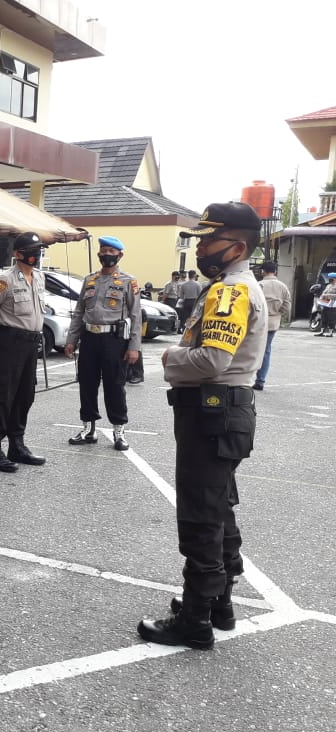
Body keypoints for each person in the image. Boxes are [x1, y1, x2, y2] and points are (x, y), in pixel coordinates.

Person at [138, 202, 266, 650]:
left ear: (238, 246)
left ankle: (195, 620)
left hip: (212, 412)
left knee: (200, 515)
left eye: (210, 239)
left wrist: (171, 357)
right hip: (224, 413)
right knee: (219, 509)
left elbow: (212, 360)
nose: (201, 247)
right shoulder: (231, 286)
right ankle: (220, 605)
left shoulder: (230, 291)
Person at [64, 236, 141, 451]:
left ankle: (119, 430)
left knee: (114, 385)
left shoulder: (128, 281)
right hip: (89, 338)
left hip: (114, 341)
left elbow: (136, 316)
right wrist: (72, 339)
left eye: (111, 251)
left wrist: (134, 347)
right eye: (103, 250)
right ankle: (88, 429)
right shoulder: (89, 280)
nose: (106, 254)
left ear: (119, 255)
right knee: (87, 384)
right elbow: (79, 311)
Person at [0, 231, 47, 473]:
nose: (36, 255)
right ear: (17, 254)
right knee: (0, 396)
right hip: (9, 342)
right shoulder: (4, 280)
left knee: (24, 395)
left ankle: (17, 444)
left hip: (30, 344)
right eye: (30, 251)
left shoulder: (39, 278)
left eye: (38, 250)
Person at [253, 260, 291, 388]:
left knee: (252, 349)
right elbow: (287, 305)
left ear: (263, 271)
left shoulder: (258, 285)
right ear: (275, 271)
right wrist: (278, 313)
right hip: (273, 322)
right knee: (266, 350)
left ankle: (245, 378)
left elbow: (252, 304)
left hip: (258, 322)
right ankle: (261, 380)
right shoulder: (282, 286)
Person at [315, 272, 336, 337]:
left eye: (331, 278)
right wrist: (321, 298)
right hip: (325, 303)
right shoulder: (328, 285)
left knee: (331, 318)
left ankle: (331, 332)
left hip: (333, 305)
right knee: (324, 317)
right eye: (329, 278)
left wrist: (327, 295)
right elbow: (323, 293)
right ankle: (322, 331)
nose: (330, 279)